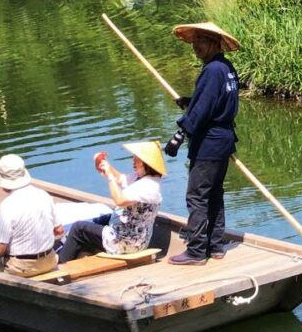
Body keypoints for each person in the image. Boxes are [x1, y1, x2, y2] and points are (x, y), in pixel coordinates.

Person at [162, 22, 241, 265]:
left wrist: (179, 135)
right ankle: (216, 245)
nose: (195, 46)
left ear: (215, 43)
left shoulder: (212, 71)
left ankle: (196, 251)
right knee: (214, 193)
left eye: (201, 41)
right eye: (194, 41)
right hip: (223, 140)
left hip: (210, 143)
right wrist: (191, 101)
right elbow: (211, 102)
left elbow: (204, 109)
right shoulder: (226, 68)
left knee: (197, 196)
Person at [60, 142, 165, 261]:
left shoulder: (148, 186)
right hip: (130, 234)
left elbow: (119, 200)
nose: (133, 160)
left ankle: (61, 263)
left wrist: (109, 176)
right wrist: (105, 165)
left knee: (78, 228)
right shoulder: (141, 178)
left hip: (127, 242)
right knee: (99, 219)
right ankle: (69, 248)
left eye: (137, 158)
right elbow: (120, 179)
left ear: (146, 163)